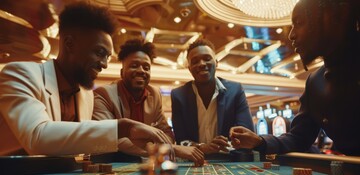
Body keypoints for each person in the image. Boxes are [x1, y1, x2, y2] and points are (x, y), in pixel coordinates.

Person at [0, 2, 172, 156]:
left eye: (107, 57)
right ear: (69, 44)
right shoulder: (20, 74)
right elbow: (37, 138)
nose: (104, 64)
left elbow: (80, 143)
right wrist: (121, 128)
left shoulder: (86, 94)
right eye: (99, 53)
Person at [230, 0, 360, 156]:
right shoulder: (315, 83)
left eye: (299, 23)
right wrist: (259, 141)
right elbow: (299, 138)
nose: (291, 35)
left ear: (329, 19)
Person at [93, 38, 204, 165]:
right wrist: (167, 148)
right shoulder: (104, 94)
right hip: (110, 163)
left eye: (146, 67)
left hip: (143, 163)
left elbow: (166, 132)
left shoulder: (154, 94)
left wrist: (165, 145)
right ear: (122, 72)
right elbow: (110, 137)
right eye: (134, 66)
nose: (141, 70)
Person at [171, 38, 254, 154]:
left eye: (207, 58)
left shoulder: (235, 91)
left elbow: (247, 136)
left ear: (216, 62)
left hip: (228, 161)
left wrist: (221, 146)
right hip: (194, 161)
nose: (201, 64)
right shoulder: (178, 95)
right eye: (195, 61)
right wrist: (202, 147)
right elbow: (181, 141)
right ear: (189, 68)